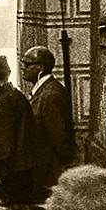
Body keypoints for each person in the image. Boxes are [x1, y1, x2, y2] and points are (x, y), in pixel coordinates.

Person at [0, 55, 41, 204]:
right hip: (21, 175)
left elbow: (2, 148)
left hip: (12, 180)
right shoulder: (14, 96)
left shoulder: (7, 101)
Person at [21, 46, 75, 196]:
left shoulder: (51, 94)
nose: (23, 68)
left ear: (41, 67)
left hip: (49, 171)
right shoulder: (43, 91)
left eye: (28, 64)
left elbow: (59, 137)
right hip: (43, 168)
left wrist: (60, 168)